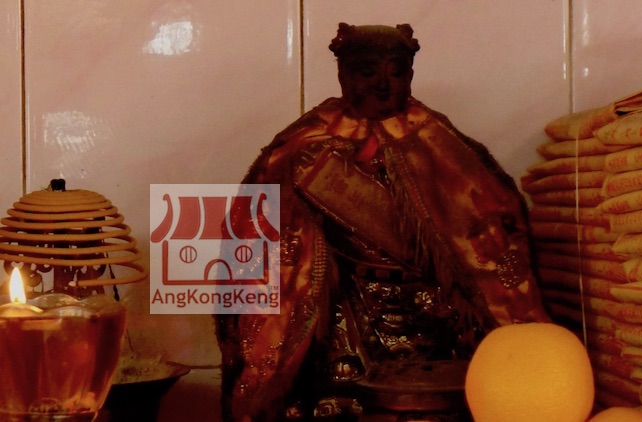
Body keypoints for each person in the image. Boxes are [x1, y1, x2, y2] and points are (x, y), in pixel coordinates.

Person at [215, 22, 550, 421]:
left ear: (411, 73)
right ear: (343, 74)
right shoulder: (305, 145)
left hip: (432, 312)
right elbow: (257, 231)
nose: (382, 84)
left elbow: (493, 222)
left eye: (396, 72)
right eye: (367, 72)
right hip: (345, 315)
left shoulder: (441, 141)